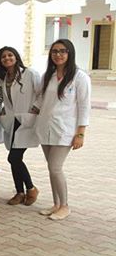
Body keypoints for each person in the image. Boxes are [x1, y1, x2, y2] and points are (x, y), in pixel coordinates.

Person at [33, 39, 91, 220]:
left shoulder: (80, 77)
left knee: (55, 167)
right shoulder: (48, 75)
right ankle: (56, 204)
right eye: (55, 51)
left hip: (65, 130)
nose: (58, 55)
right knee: (51, 168)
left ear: (70, 53)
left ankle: (65, 206)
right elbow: (41, 100)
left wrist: (80, 134)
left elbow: (84, 107)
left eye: (62, 51)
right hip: (45, 128)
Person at [0, 46, 41, 206]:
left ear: (16, 57)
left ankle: (31, 188)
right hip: (12, 120)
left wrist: (35, 108)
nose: (7, 58)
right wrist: (2, 112)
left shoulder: (30, 74)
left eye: (10, 55)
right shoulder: (3, 77)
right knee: (15, 158)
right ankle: (20, 192)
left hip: (26, 120)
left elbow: (41, 93)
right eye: (3, 57)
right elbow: (5, 98)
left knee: (13, 157)